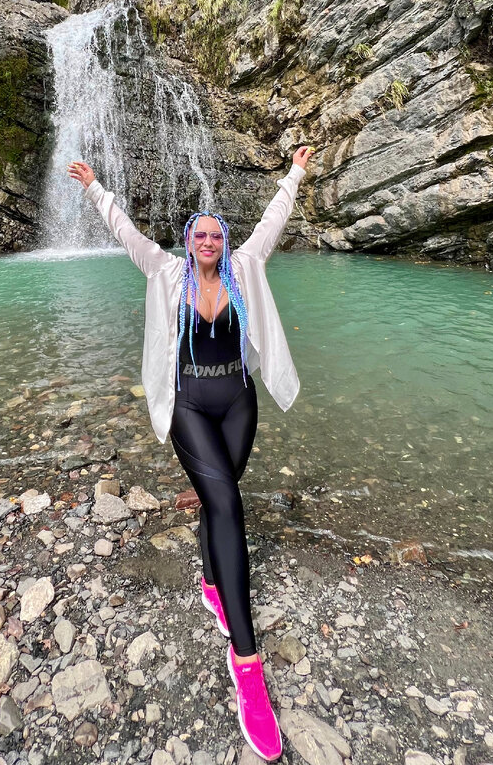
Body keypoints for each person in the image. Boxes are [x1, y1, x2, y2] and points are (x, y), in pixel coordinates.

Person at [67, 146, 314, 762]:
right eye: (198, 232)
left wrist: (296, 175)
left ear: (224, 243)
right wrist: (97, 188)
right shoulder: (167, 273)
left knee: (218, 494)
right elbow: (126, 234)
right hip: (188, 406)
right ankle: (247, 662)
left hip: (238, 401)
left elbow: (272, 222)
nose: (208, 239)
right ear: (187, 241)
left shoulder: (246, 266)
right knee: (227, 505)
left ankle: (210, 578)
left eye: (216, 233)